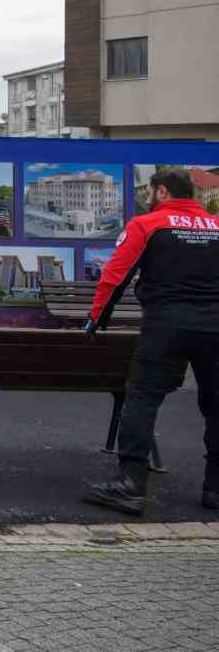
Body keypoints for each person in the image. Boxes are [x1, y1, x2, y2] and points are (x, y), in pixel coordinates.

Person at [83, 168, 219, 515]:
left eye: (149, 192)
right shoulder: (216, 226)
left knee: (142, 400)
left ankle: (130, 484)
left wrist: (97, 318)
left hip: (165, 325)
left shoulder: (147, 225)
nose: (146, 198)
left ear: (161, 192)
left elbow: (116, 274)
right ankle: (214, 488)